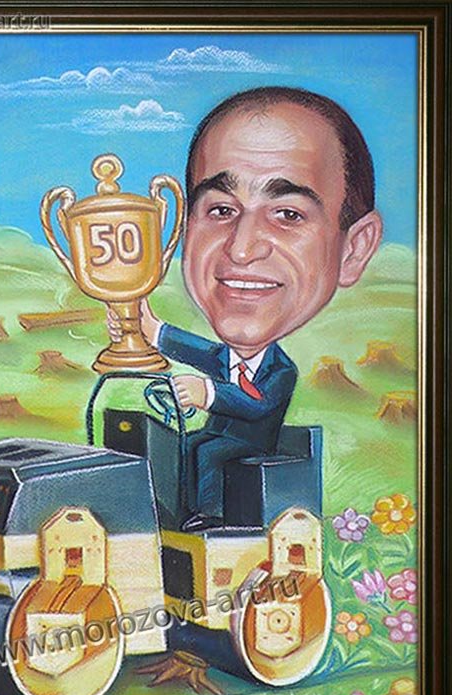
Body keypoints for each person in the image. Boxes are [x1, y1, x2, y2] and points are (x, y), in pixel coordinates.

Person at [109, 87, 383, 529]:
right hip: (215, 441)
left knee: (210, 452)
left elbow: (255, 407)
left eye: (288, 214)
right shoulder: (226, 359)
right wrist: (153, 330)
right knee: (185, 447)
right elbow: (198, 351)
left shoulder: (280, 371)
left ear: (354, 249)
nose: (241, 249)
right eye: (221, 209)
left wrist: (208, 394)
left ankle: (211, 520)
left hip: (251, 455)